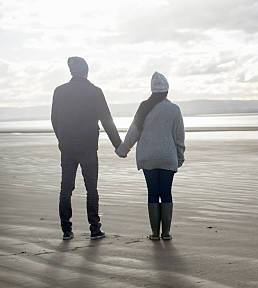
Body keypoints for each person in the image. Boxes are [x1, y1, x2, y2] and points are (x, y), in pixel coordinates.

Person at [51, 56, 122, 241]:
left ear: (72, 71)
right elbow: (107, 120)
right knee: (91, 188)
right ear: (86, 71)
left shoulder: (60, 91)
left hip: (67, 147)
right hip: (89, 147)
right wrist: (119, 145)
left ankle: (66, 230)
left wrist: (62, 139)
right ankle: (94, 229)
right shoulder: (95, 91)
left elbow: (54, 119)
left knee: (66, 189)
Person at [116, 72, 185, 241]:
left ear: (152, 90)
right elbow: (179, 136)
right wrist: (180, 156)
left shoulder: (144, 107)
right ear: (167, 91)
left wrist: (123, 149)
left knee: (153, 193)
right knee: (166, 193)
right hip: (168, 156)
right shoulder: (174, 109)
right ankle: (166, 233)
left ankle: (155, 233)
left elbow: (134, 131)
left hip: (148, 157)